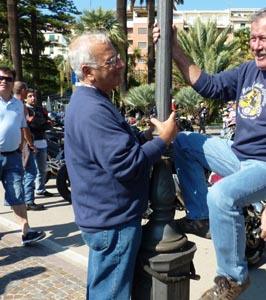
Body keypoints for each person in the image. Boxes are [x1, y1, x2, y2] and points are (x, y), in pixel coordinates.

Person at [153, 5, 266, 299]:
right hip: (238, 154)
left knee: (222, 194)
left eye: (263, 39)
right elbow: (209, 86)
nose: (256, 46)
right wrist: (174, 49)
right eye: (253, 38)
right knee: (183, 141)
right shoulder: (248, 71)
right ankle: (200, 216)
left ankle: (232, 278)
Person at [65, 31, 177, 300]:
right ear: (87, 71)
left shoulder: (93, 100)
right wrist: (163, 140)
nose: (120, 64)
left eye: (118, 57)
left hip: (107, 219)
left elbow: (117, 147)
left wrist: (143, 137)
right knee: (110, 294)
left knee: (104, 289)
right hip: (112, 223)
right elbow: (126, 164)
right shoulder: (91, 109)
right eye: (111, 60)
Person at [0, 66, 46, 245]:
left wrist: (20, 150)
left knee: (17, 193)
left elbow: (22, 128)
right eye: (1, 78)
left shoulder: (18, 104)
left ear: (13, 83)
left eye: (8, 79)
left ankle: (26, 231)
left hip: (12, 156)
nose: (4, 81)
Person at [13, 81, 45, 210]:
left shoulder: (9, 103)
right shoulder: (20, 106)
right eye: (27, 92)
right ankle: (28, 201)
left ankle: (18, 201)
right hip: (23, 143)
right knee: (30, 172)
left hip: (13, 144)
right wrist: (31, 144)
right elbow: (24, 128)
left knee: (18, 173)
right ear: (23, 90)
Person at [25, 89, 53, 197]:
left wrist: (39, 122)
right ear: (25, 98)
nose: (33, 98)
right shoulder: (25, 109)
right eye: (30, 96)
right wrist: (41, 122)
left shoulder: (41, 109)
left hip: (42, 142)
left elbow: (49, 123)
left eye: (34, 96)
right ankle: (27, 195)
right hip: (30, 143)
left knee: (42, 169)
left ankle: (40, 189)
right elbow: (31, 124)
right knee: (30, 171)